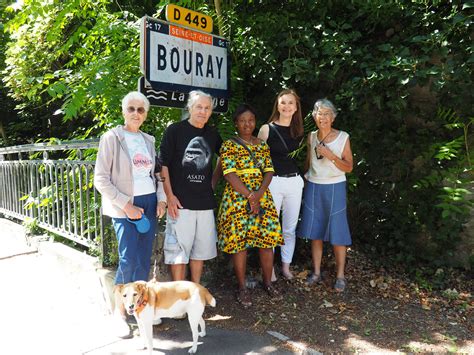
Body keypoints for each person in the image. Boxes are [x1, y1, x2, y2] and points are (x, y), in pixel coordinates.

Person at [94, 91, 166, 334]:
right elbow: (101, 179)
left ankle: (141, 308)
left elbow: (157, 174)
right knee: (127, 258)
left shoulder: (148, 140)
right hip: (123, 205)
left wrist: (162, 199)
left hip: (148, 201)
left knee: (143, 258)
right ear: (124, 112)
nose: (136, 113)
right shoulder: (112, 138)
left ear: (145, 114)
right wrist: (126, 205)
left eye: (141, 110)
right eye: (131, 109)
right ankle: (120, 313)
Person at [217, 104, 283, 306]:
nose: (247, 124)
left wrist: (258, 194)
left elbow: (269, 171)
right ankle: (242, 287)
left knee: (266, 241)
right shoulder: (228, 145)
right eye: (243, 120)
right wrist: (249, 196)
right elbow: (229, 174)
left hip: (262, 197)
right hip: (238, 199)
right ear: (236, 123)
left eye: (251, 120)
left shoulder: (262, 145)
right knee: (239, 244)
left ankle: (268, 282)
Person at [159, 90, 222, 284]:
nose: (202, 111)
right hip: (180, 203)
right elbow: (163, 165)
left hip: (204, 202)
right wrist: (169, 196)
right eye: (199, 107)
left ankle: (194, 293)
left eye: (207, 108)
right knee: (177, 252)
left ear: (211, 111)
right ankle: (179, 297)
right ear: (190, 108)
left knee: (199, 252)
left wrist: (212, 182)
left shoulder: (212, 135)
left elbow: (225, 158)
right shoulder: (175, 131)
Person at [297, 98, 353, 292]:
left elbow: (349, 166)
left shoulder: (342, 137)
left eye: (327, 114)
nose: (324, 118)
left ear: (333, 117)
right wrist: (304, 178)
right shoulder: (312, 136)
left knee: (338, 233)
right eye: (320, 113)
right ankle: (316, 272)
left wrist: (330, 156)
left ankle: (340, 276)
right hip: (314, 186)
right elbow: (309, 162)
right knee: (316, 233)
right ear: (314, 116)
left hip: (336, 186)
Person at [258, 89, 304, 280]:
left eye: (290, 103)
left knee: (289, 229)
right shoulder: (266, 129)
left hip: (294, 182)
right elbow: (257, 160)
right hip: (273, 182)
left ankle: (285, 267)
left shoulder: (300, 131)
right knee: (270, 227)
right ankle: (269, 270)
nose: (286, 106)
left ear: (296, 107)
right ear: (277, 105)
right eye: (283, 102)